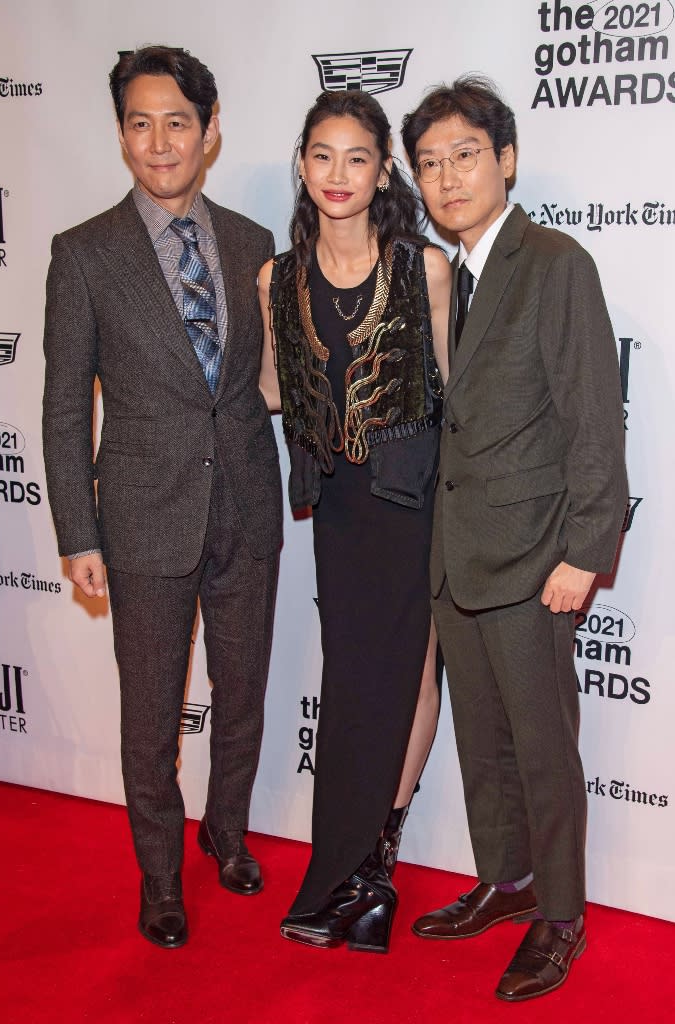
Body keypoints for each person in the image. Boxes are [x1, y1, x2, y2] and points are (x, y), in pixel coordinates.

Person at [42, 45, 282, 949]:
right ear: (120, 135)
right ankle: (159, 876)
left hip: (248, 504)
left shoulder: (254, 244)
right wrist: (77, 530)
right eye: (140, 123)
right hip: (140, 517)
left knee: (246, 691)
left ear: (209, 131)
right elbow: (65, 403)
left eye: (177, 121)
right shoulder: (85, 253)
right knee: (148, 716)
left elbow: (265, 381)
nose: (159, 141)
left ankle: (227, 831)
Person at [401, 77, 628, 999]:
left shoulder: (553, 262)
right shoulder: (441, 274)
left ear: (505, 159)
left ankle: (562, 916)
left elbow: (590, 420)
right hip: (458, 558)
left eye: (463, 155)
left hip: (537, 560)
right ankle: (505, 882)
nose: (447, 177)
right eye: (428, 163)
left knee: (541, 748)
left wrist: (583, 553)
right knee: (482, 745)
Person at [259, 90, 450, 953]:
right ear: (303, 164)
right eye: (322, 155)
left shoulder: (424, 268)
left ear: (382, 173)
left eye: (358, 158)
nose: (338, 175)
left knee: (408, 675)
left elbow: (451, 392)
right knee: (351, 682)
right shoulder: (276, 277)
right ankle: (354, 877)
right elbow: (270, 388)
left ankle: (367, 867)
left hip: (413, 503)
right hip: (338, 505)